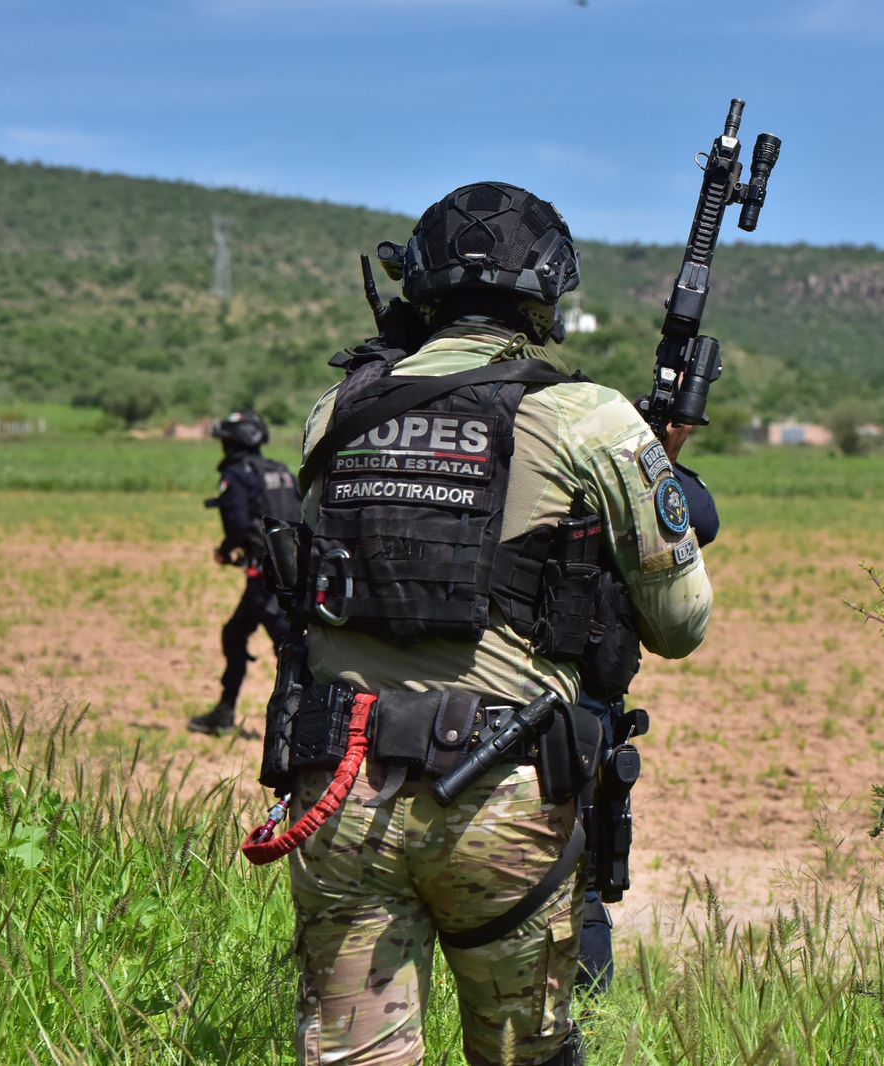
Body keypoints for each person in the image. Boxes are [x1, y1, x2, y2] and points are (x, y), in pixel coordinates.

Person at [284, 181, 714, 1065]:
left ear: (420, 285)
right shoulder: (589, 416)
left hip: (340, 780)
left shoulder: (336, 410)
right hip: (499, 788)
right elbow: (679, 625)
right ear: (548, 291)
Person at [574, 422, 719, 994]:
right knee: (576, 885)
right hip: (565, 716)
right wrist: (655, 456)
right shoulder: (581, 437)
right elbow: (698, 519)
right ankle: (581, 1027)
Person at [188, 410, 300, 736]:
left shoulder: (237, 474)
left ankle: (296, 724)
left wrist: (225, 552)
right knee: (239, 634)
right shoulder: (280, 471)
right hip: (292, 572)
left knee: (288, 646)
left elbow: (237, 526)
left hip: (264, 578)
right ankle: (226, 712)